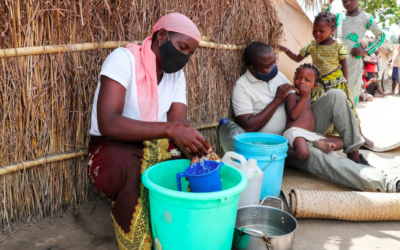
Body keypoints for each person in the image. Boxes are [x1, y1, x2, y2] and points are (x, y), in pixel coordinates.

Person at [87, 13, 211, 249]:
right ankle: (138, 240)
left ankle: (184, 228)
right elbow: (108, 122)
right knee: (125, 169)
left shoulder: (176, 75)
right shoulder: (123, 60)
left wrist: (196, 149)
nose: (185, 58)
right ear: (162, 36)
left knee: (201, 161)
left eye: (190, 53)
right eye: (182, 47)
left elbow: (179, 123)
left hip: (156, 140)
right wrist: (170, 129)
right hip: (112, 143)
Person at [232, 41, 400, 193]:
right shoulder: (242, 88)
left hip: (302, 127)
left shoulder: (276, 75)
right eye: (269, 65)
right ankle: (389, 183)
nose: (274, 67)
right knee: (326, 158)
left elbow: (299, 100)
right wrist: (276, 101)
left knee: (336, 95)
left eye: (274, 62)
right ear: (253, 68)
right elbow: (248, 126)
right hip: (284, 146)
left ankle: (354, 153)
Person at [279, 12, 362, 142]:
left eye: (321, 31)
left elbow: (343, 64)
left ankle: (359, 136)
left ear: (331, 30)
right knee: (320, 113)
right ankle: (325, 138)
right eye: (314, 30)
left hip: (338, 84)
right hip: (319, 87)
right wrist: (285, 50)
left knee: (349, 110)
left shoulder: (337, 44)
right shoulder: (312, 45)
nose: (317, 34)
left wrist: (345, 83)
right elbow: (297, 58)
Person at [332, 0, 386, 147]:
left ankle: (358, 135)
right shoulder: (338, 16)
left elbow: (381, 36)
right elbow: (324, 27)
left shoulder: (366, 18)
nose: (347, 2)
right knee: (334, 97)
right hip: (334, 64)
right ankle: (339, 134)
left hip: (353, 66)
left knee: (350, 98)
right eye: (344, 0)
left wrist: (366, 51)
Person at [284, 63, 343, 161]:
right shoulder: (292, 95)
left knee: (342, 142)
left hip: (309, 135)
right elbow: (293, 116)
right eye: (298, 78)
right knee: (303, 154)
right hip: (295, 133)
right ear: (294, 79)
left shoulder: (308, 96)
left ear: (314, 85)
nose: (301, 81)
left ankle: (318, 144)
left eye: (307, 80)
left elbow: (306, 110)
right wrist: (303, 97)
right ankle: (281, 152)